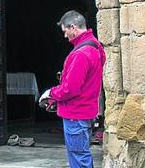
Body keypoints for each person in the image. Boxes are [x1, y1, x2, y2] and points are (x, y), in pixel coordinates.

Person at [39, 10, 105, 168]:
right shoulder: (96, 46)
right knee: (81, 154)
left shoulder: (81, 54)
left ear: (73, 28)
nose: (65, 36)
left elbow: (71, 89)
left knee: (79, 157)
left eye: (65, 31)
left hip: (76, 113)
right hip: (87, 110)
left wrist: (51, 93)